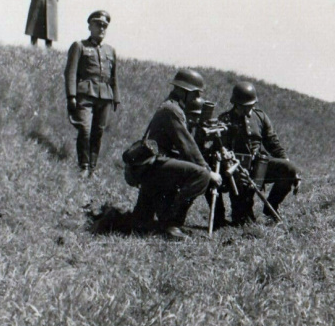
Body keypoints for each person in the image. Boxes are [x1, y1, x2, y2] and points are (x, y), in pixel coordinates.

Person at [129, 69, 222, 239]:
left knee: (141, 220)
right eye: (194, 95)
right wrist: (209, 171)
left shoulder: (170, 106)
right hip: (155, 166)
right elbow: (188, 148)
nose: (195, 99)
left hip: (151, 166)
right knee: (201, 175)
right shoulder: (173, 110)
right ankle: (172, 224)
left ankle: (145, 218)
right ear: (184, 92)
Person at [218, 81, 300, 225]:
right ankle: (239, 215)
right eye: (246, 106)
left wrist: (286, 163)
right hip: (237, 170)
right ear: (236, 104)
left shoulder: (260, 116)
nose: (250, 109)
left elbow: (273, 143)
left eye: (252, 105)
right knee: (243, 221)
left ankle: (271, 209)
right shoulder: (225, 120)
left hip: (260, 165)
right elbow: (221, 148)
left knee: (289, 170)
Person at [64, 10, 119, 177]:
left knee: (98, 132)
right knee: (85, 130)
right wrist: (71, 96)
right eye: (98, 25)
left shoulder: (110, 51)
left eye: (104, 26)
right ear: (90, 26)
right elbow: (71, 72)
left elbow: (114, 76)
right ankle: (84, 166)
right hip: (85, 94)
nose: (101, 28)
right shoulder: (79, 46)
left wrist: (116, 97)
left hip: (105, 96)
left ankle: (93, 168)